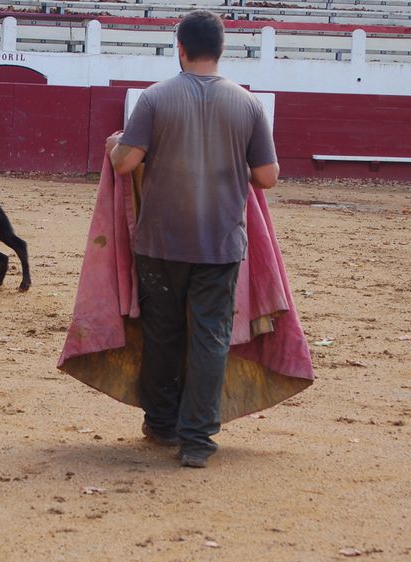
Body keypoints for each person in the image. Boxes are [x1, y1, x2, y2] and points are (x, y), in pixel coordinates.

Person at [105, 11, 280, 468]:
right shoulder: (247, 104)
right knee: (210, 337)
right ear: (221, 49)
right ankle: (197, 440)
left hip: (161, 242)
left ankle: (162, 424)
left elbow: (126, 164)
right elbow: (268, 176)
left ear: (179, 47)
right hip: (220, 244)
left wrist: (115, 144)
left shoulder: (155, 99)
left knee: (162, 334)